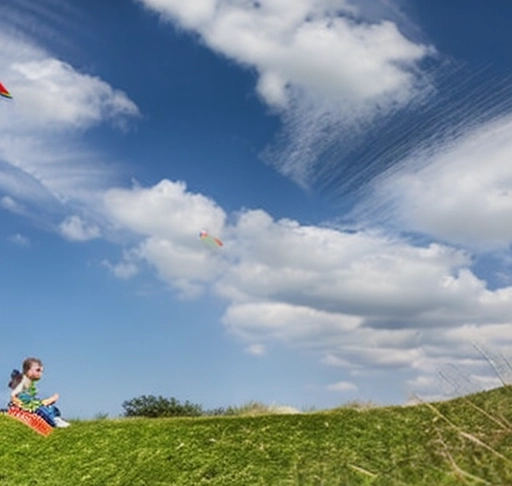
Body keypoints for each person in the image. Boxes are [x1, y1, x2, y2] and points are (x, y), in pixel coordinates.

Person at [8, 357, 70, 428]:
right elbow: (13, 395)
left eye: (41, 371)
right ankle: (54, 421)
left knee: (50, 408)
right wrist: (17, 402)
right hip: (25, 406)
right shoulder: (23, 381)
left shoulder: (30, 383)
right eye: (38, 370)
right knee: (41, 409)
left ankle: (56, 418)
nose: (40, 373)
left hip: (30, 404)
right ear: (28, 370)